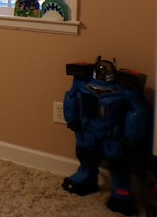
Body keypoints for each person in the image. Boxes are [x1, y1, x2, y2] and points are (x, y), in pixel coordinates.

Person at [63, 56, 152, 216]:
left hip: (114, 133)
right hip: (88, 128)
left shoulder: (126, 89)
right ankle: (86, 175)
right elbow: (71, 98)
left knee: (118, 161)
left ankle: (121, 189)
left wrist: (132, 135)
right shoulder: (82, 83)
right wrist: (72, 119)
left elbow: (138, 112)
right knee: (85, 152)